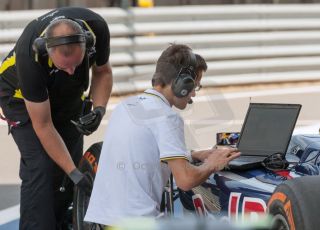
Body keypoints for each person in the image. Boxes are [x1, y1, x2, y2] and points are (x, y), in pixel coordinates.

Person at [84, 44, 240, 226]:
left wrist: (192, 154)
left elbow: (144, 148)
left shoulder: (125, 106)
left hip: (104, 220)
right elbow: (186, 180)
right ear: (182, 83)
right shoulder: (168, 116)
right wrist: (212, 164)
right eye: (194, 87)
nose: (192, 96)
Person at [0, 7, 113, 230]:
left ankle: (62, 222)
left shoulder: (96, 28)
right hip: (20, 97)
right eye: (65, 65)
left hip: (65, 92)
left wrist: (99, 109)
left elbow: (103, 72)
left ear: (86, 43)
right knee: (41, 164)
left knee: (69, 158)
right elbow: (43, 126)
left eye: (77, 64)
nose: (72, 70)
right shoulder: (29, 56)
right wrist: (73, 172)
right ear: (46, 50)